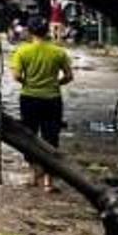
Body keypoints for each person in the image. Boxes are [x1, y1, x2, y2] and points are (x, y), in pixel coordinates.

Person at [10, 16, 74, 191]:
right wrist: (55, 84)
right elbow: (69, 77)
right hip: (52, 99)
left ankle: (33, 175)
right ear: (47, 31)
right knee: (51, 138)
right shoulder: (58, 52)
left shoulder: (22, 52)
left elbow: (16, 76)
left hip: (29, 98)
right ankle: (48, 182)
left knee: (29, 136)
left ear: (30, 32)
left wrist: (28, 83)